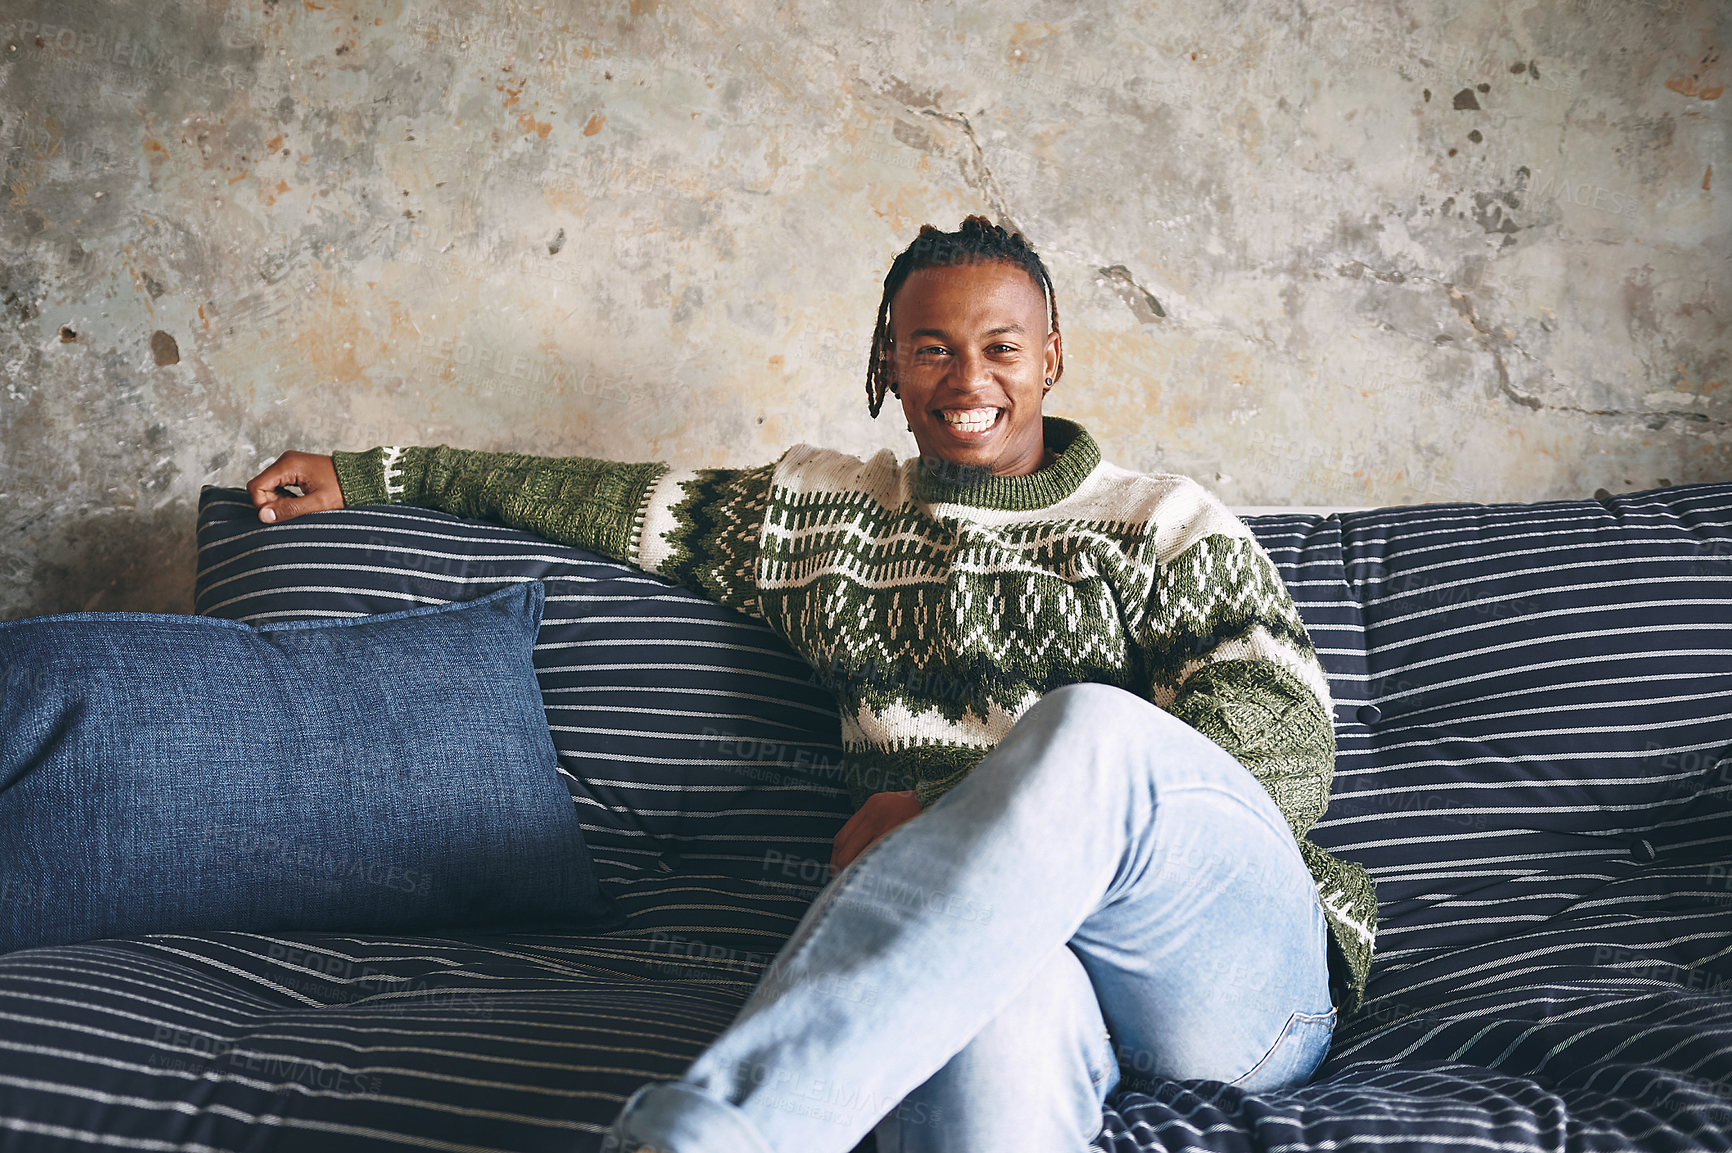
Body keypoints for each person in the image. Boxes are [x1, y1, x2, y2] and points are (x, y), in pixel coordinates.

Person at [247, 216, 1377, 1153]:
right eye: (930, 348)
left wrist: (946, 808)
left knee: (1092, 729)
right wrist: (375, 472)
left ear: (1051, 357)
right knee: (980, 1045)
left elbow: (1280, 753)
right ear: (886, 365)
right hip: (991, 954)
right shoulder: (822, 518)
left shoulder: (1161, 524)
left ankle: (716, 1134)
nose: (967, 377)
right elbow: (608, 497)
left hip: (1227, 976)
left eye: (1000, 346)